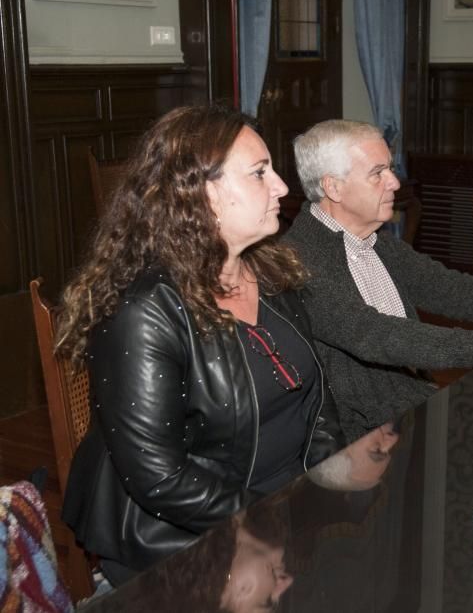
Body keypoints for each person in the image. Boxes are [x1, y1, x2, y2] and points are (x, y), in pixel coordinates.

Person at [55, 105, 344, 586]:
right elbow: (160, 477)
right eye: (259, 173)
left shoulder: (271, 273)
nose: (282, 187)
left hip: (280, 512)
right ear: (199, 194)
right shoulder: (146, 310)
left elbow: (317, 406)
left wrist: (325, 492)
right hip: (182, 537)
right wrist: (273, 521)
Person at [283, 120, 473, 439]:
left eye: (389, 169)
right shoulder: (297, 258)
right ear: (333, 187)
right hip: (364, 430)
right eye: (378, 173)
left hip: (412, 401)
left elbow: (453, 290)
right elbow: (372, 334)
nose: (393, 182)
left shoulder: (376, 241)